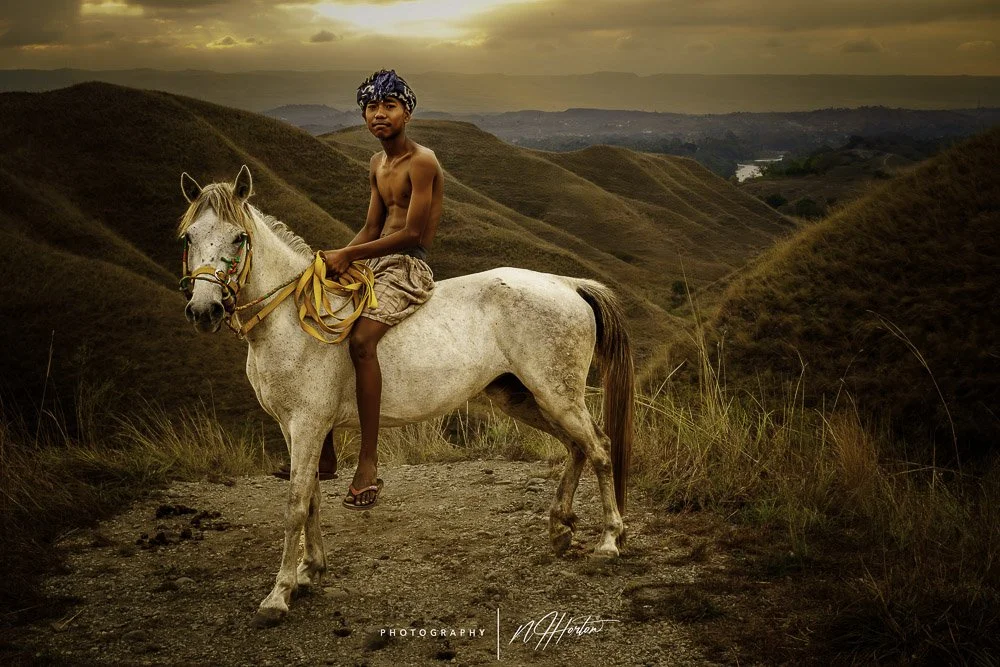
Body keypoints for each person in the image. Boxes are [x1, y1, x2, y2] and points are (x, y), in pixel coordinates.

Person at [274, 69, 444, 510]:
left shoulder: (422, 162)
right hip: (373, 259)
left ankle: (367, 461)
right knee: (317, 317)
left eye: (389, 106)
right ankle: (324, 454)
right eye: (372, 107)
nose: (379, 114)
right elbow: (371, 225)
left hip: (408, 266)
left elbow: (413, 234)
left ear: (407, 111)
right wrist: (326, 263)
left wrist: (349, 257)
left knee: (363, 340)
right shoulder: (377, 163)